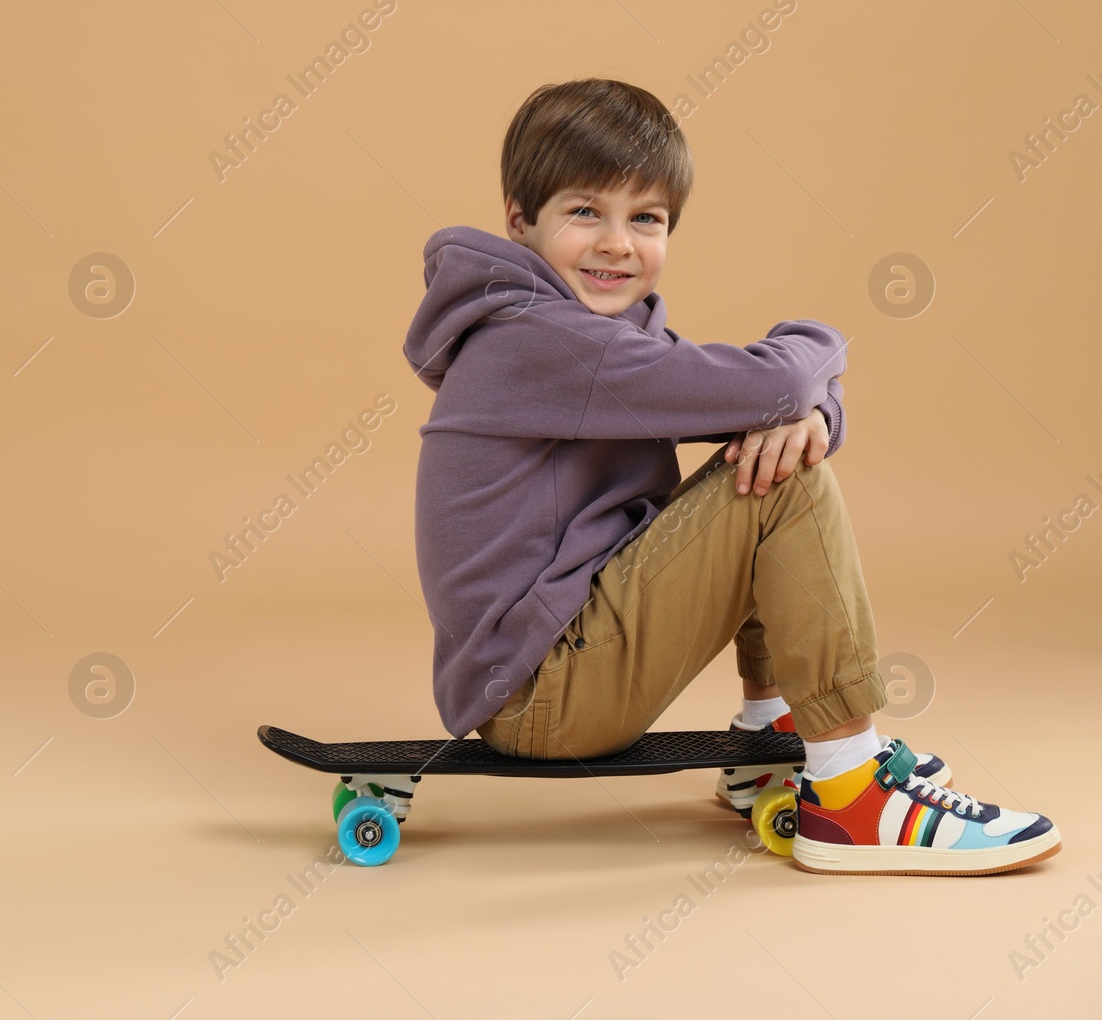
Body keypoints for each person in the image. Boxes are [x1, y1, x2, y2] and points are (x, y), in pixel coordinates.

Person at [402, 78, 1060, 875]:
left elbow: (767, 404)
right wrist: (815, 370)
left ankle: (774, 735)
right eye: (586, 212)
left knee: (766, 458)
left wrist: (811, 418)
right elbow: (772, 387)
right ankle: (850, 789)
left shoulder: (571, 330)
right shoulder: (536, 339)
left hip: (547, 669)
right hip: (544, 695)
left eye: (645, 218)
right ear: (520, 220)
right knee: (781, 481)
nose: (617, 244)